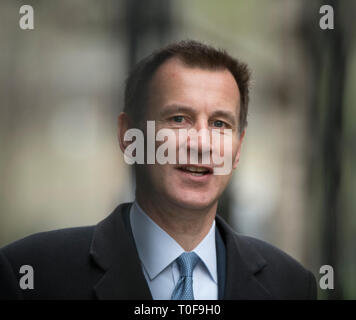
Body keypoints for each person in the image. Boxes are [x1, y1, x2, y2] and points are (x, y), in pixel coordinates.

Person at [0, 40, 317, 300]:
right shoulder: (31, 274)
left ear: (238, 148)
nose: (201, 144)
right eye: (179, 119)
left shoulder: (290, 285)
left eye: (220, 124)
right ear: (129, 136)